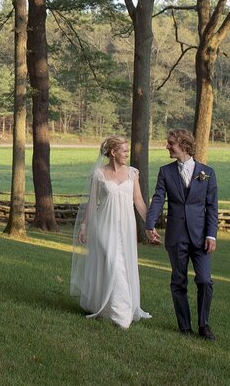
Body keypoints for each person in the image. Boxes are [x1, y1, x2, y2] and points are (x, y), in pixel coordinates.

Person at [70, 135, 153, 329]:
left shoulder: (133, 173)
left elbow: (139, 201)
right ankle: (120, 313)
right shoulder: (99, 174)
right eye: (124, 151)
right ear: (113, 152)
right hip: (103, 225)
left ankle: (111, 306)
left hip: (126, 226)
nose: (127, 154)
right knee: (112, 262)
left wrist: (150, 225)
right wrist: (84, 226)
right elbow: (92, 203)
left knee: (122, 262)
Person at [145, 128, 218, 340]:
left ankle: (204, 326)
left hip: (201, 237)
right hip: (176, 236)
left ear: (184, 145)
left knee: (205, 281)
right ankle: (184, 327)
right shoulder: (165, 172)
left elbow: (212, 207)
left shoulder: (208, 173)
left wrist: (211, 235)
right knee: (179, 281)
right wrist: (150, 224)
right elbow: (158, 198)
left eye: (170, 143)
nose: (167, 146)